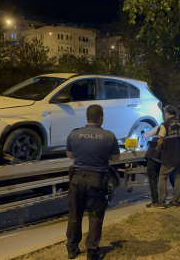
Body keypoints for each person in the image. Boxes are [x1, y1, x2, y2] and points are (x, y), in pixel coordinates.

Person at [65, 105, 120, 260]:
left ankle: (72, 249)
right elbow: (116, 158)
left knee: (74, 215)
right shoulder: (109, 136)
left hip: (77, 180)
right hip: (97, 180)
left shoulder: (74, 134)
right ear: (101, 118)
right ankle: (92, 252)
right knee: (95, 216)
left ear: (87, 117)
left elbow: (70, 155)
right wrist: (102, 157)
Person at [153, 105, 180, 208]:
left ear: (167, 114)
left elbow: (161, 140)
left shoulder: (165, 125)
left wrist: (158, 149)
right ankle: (175, 200)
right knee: (179, 177)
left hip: (169, 156)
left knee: (163, 176)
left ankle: (162, 201)